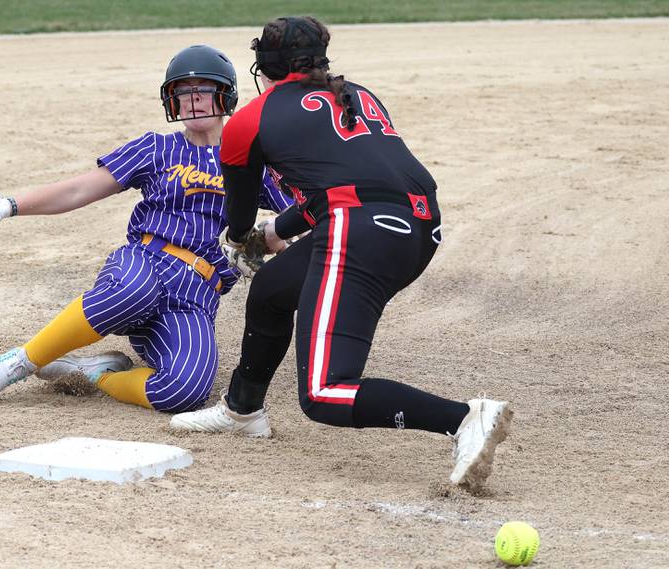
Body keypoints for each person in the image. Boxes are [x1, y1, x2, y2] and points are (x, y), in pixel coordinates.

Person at [169, 18, 513, 489]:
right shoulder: (359, 94)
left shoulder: (251, 119)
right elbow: (348, 188)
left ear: (264, 67)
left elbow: (241, 218)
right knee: (272, 289)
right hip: (418, 227)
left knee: (324, 393)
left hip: (361, 233)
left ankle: (463, 419)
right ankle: (242, 409)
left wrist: (244, 241)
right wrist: (279, 231)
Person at [0, 45, 292, 412]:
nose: (192, 99)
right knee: (136, 290)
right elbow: (80, 189)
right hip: (145, 263)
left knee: (186, 391)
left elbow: (302, 217)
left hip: (195, 296)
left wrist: (268, 240)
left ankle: (94, 374)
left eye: (203, 88)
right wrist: (9, 205)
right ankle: (21, 361)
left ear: (226, 94)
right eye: (182, 91)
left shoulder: (250, 162)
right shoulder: (156, 148)